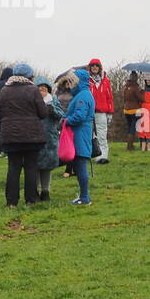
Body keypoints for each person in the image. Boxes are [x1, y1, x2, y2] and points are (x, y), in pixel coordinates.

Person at [0, 64, 49, 207]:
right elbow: (43, 113)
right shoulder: (33, 90)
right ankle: (31, 199)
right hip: (31, 135)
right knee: (31, 167)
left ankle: (11, 202)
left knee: (13, 167)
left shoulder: (4, 90)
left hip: (10, 134)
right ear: (29, 76)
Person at [62, 67, 96, 205]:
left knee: (81, 165)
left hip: (80, 135)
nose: (70, 85)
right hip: (79, 134)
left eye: (72, 82)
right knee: (79, 165)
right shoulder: (82, 95)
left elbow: (79, 116)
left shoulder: (83, 96)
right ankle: (83, 195)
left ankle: (85, 197)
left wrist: (65, 121)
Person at [34, 76, 64, 201]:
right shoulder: (32, 101)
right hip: (35, 137)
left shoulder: (54, 101)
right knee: (35, 165)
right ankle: (33, 190)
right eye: (40, 89)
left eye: (45, 89)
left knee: (48, 166)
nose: (42, 91)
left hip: (50, 138)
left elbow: (61, 114)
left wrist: (52, 110)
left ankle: (45, 191)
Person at [87, 59, 114, 163]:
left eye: (96, 65)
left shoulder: (105, 81)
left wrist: (110, 112)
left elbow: (109, 97)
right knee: (89, 135)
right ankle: (89, 155)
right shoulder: (87, 81)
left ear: (99, 67)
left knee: (102, 135)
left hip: (101, 112)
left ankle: (103, 157)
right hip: (89, 112)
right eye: (92, 65)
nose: (94, 67)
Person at [121, 73, 143, 151]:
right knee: (133, 128)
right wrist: (142, 92)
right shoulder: (135, 88)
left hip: (126, 110)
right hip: (134, 110)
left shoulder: (126, 87)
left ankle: (129, 145)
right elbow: (141, 98)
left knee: (129, 127)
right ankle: (130, 146)